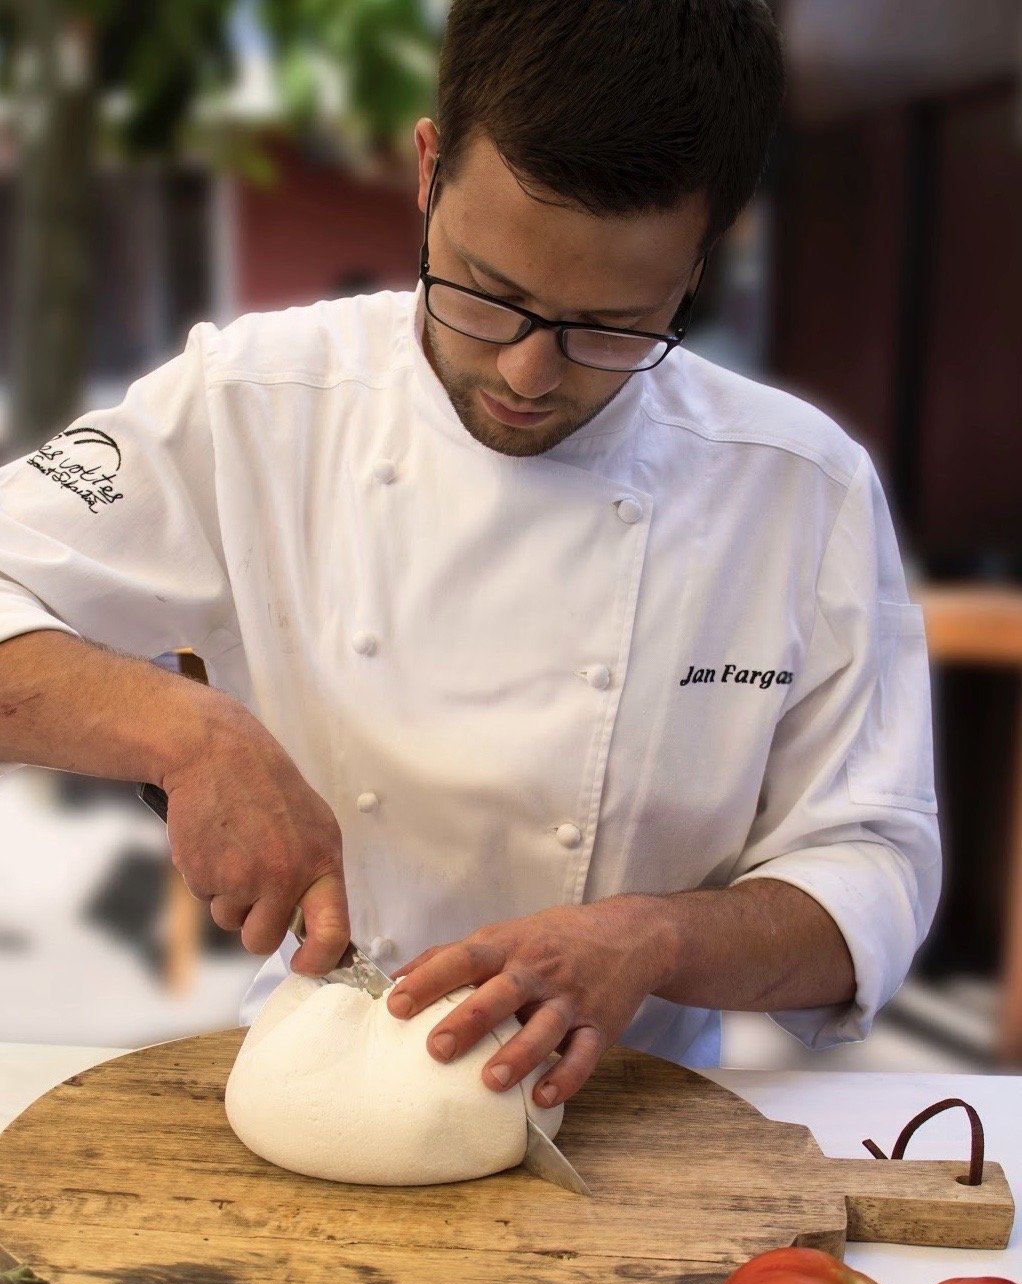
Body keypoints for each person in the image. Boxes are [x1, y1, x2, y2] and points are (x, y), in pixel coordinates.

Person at [0, 0, 939, 1108]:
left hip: (644, 1118)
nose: (529, 375)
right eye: (487, 296)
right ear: (428, 170)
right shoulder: (256, 404)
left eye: (609, 326)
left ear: (699, 261)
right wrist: (187, 735)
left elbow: (872, 869)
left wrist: (651, 942)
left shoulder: (799, 488)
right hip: (314, 1085)